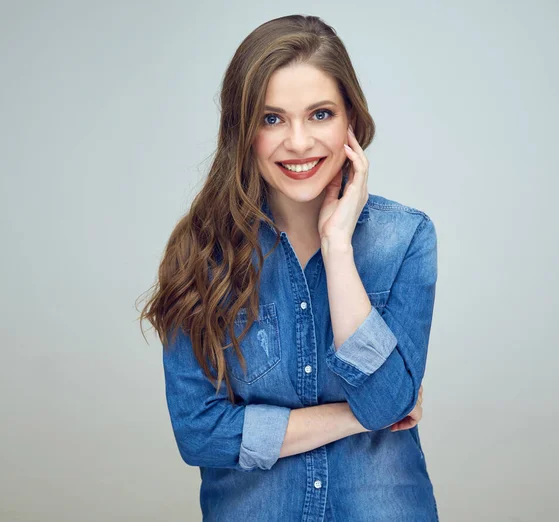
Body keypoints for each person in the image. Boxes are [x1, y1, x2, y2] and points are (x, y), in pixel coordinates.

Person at [138, 14, 439, 521]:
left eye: (320, 114)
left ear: (351, 122)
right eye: (271, 118)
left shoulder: (405, 238)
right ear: (243, 131)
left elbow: (388, 399)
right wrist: (353, 417)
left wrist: (337, 246)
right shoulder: (200, 252)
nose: (298, 142)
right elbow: (198, 432)